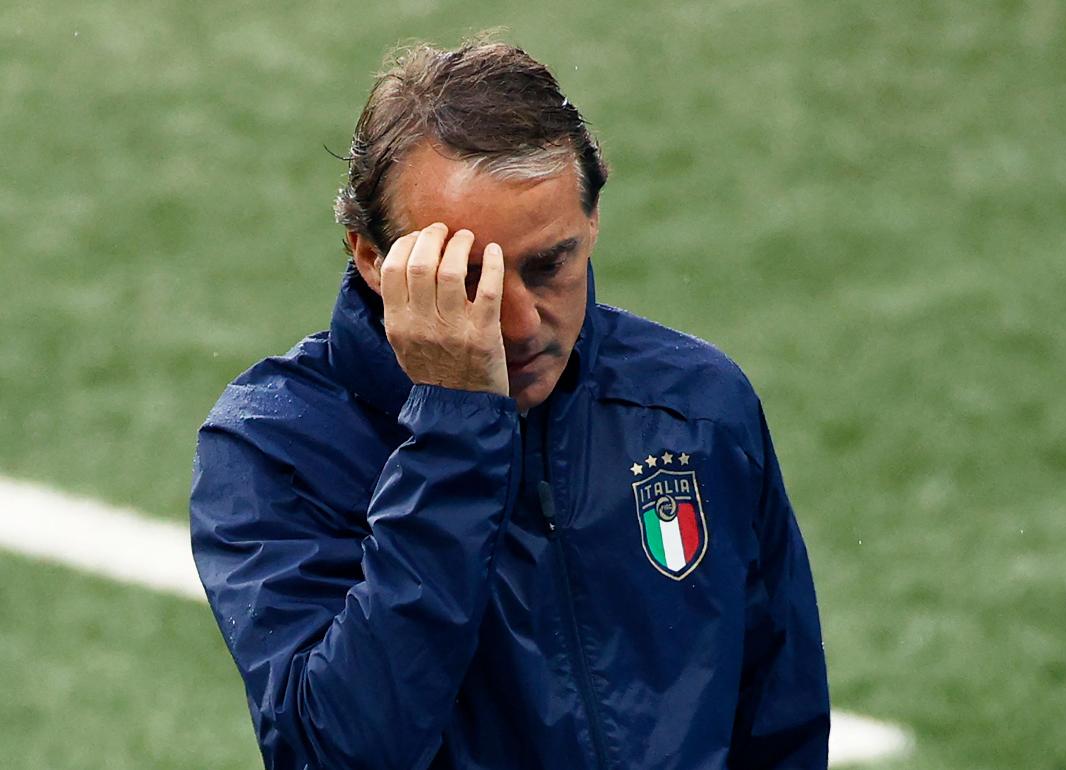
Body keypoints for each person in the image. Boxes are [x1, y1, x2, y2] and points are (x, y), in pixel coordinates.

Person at [189, 38, 829, 770]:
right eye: (470, 278)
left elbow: (780, 725)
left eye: (547, 265)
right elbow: (341, 752)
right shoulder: (279, 448)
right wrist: (455, 421)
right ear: (370, 256)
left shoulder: (695, 408)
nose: (521, 323)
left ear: (591, 224)